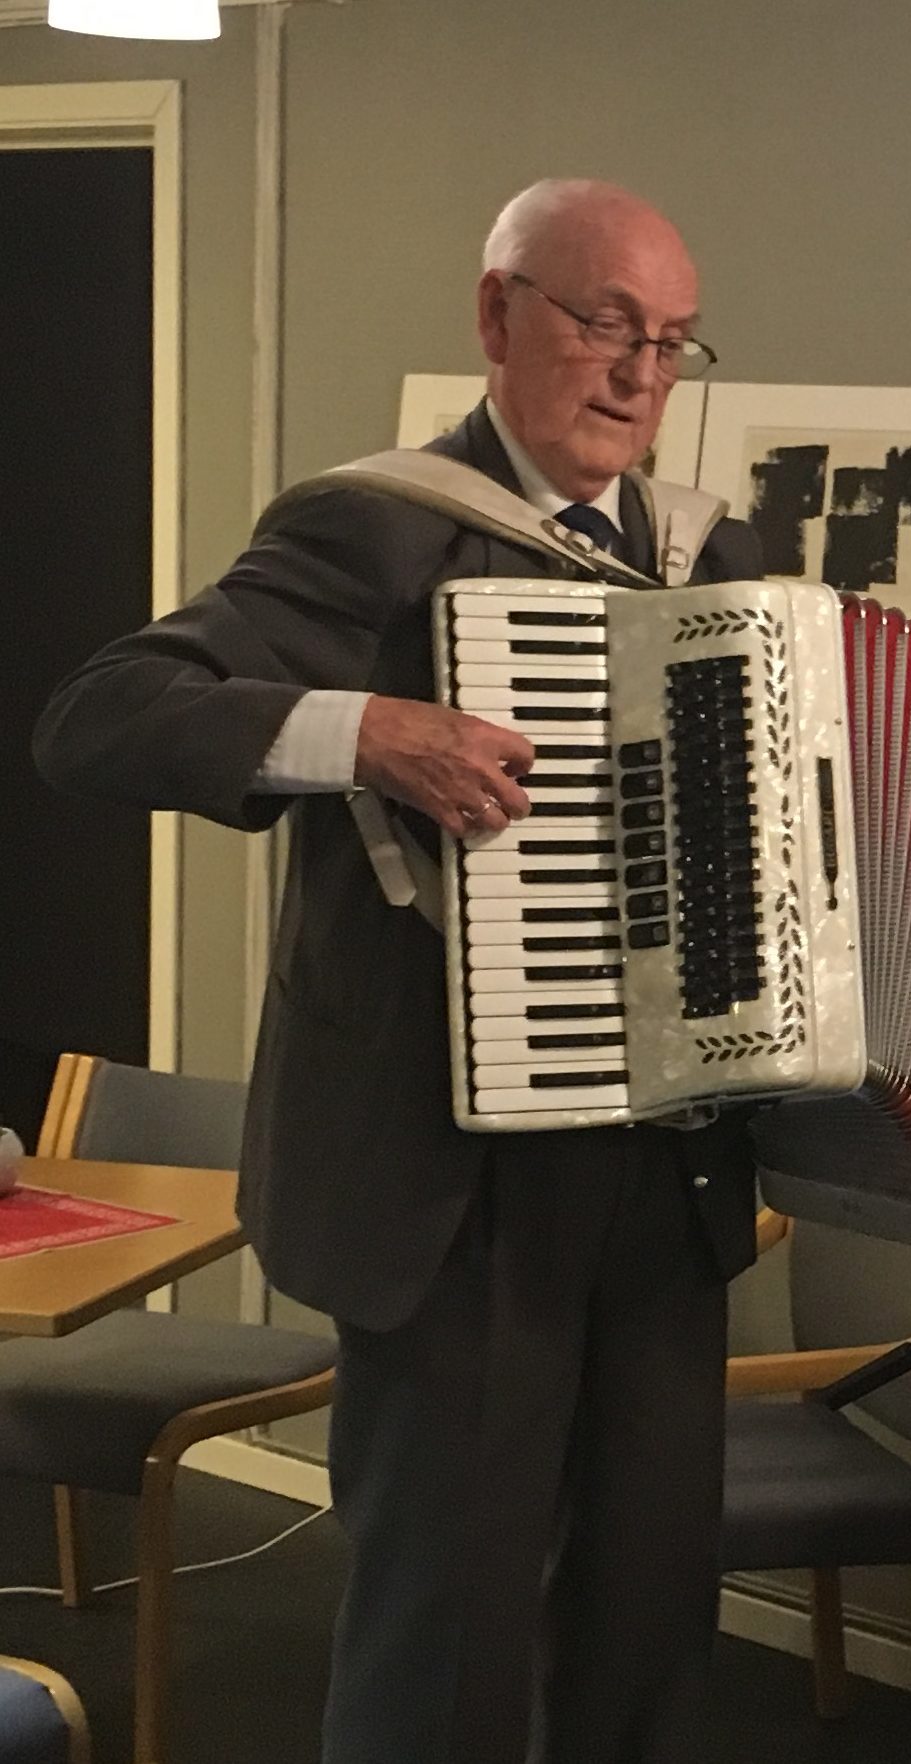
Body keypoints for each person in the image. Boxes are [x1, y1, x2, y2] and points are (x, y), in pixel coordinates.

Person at [35, 179, 758, 1764]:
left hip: (664, 1182)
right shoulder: (370, 528)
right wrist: (358, 732)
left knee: (647, 1619)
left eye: (671, 342)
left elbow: (785, 848)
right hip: (456, 1197)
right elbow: (101, 718)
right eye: (606, 325)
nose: (639, 374)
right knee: (447, 1636)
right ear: (498, 315)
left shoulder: (713, 555)